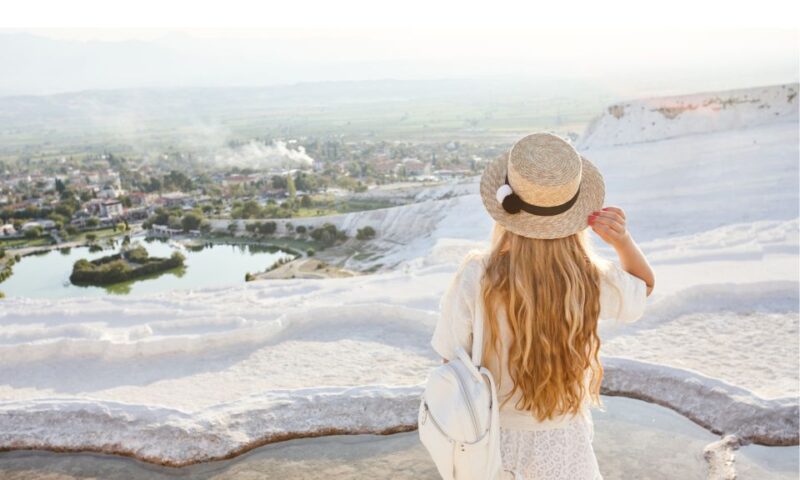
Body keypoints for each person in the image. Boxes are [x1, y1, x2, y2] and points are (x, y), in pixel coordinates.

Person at [430, 132, 655, 479]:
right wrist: (622, 242)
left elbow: (449, 358)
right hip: (565, 441)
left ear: (506, 216)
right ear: (573, 213)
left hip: (491, 441)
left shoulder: (477, 274)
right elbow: (643, 289)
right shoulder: (587, 277)